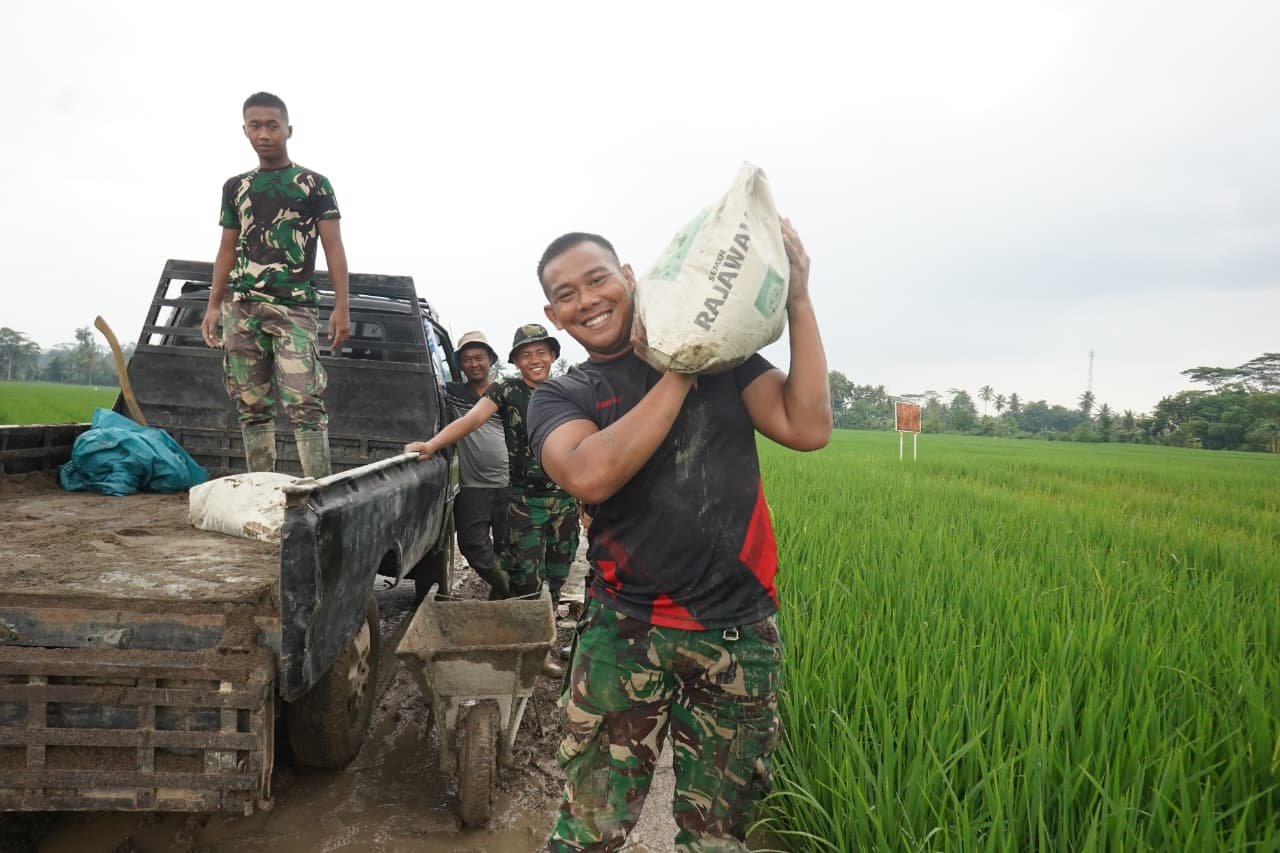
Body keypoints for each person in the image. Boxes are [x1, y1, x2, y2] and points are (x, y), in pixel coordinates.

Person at [526, 222, 831, 852]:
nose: (587, 300)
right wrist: (680, 368)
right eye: (567, 294)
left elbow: (807, 427)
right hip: (622, 632)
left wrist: (799, 299)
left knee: (718, 836)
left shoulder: (728, 364)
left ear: (629, 278)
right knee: (589, 831)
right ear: (554, 315)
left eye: (598, 279)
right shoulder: (564, 393)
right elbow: (590, 473)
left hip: (737, 633)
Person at [406, 323, 580, 678]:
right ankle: (532, 652)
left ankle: (541, 642)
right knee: (526, 581)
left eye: (541, 352)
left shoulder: (568, 390)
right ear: (515, 361)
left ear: (553, 355)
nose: (535, 360)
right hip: (524, 502)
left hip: (565, 499)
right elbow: (472, 420)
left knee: (558, 576)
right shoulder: (507, 390)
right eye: (526, 354)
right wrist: (433, 445)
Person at [200, 91, 351, 478]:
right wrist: (213, 306)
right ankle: (259, 490)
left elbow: (333, 247)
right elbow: (226, 249)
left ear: (288, 130)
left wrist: (341, 306)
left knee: (304, 401)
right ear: (245, 130)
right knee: (250, 404)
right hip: (242, 307)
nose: (264, 134)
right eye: (255, 126)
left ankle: (318, 492)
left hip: (294, 307)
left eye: (272, 126)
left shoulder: (314, 185)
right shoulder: (236, 187)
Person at [445, 330, 510, 599]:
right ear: (460, 365)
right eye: (467, 359)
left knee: (510, 547)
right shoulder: (452, 393)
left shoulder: (506, 393)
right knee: (472, 545)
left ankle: (503, 598)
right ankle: (505, 588)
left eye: (479, 357)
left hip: (510, 484)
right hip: (473, 486)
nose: (474, 364)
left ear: (490, 359)